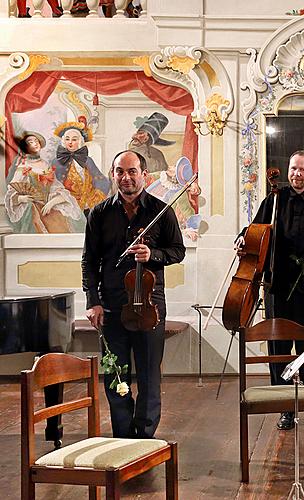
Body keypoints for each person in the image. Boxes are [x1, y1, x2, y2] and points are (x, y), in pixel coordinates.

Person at [82, 150, 185, 438]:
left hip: (150, 304)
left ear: (144, 175)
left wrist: (153, 254)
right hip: (112, 305)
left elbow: (178, 251)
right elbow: (89, 261)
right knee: (116, 375)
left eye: (132, 171)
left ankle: (145, 436)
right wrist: (93, 302)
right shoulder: (99, 214)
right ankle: (124, 436)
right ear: (113, 174)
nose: (126, 178)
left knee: (150, 373)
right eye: (119, 172)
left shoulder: (162, 211)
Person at [247, 150, 304, 430]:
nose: (296, 174)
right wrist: (243, 240)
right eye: (293, 169)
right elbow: (254, 230)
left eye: (302, 170)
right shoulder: (275, 199)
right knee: (278, 347)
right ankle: (285, 406)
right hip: (277, 286)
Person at [5, 131, 83, 233]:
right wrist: (22, 198)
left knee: (68, 222)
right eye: (30, 142)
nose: (35, 143)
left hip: (49, 205)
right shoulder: (23, 167)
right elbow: (12, 191)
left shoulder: (46, 165)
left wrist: (52, 202)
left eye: (36, 141)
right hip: (32, 209)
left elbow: (57, 188)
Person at [51, 120, 111, 212]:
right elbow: (53, 185)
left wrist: (93, 200)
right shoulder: (56, 162)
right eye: (67, 139)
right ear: (63, 141)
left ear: (80, 141)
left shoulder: (88, 160)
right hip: (68, 206)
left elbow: (102, 181)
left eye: (74, 139)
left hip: (88, 205)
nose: (70, 142)